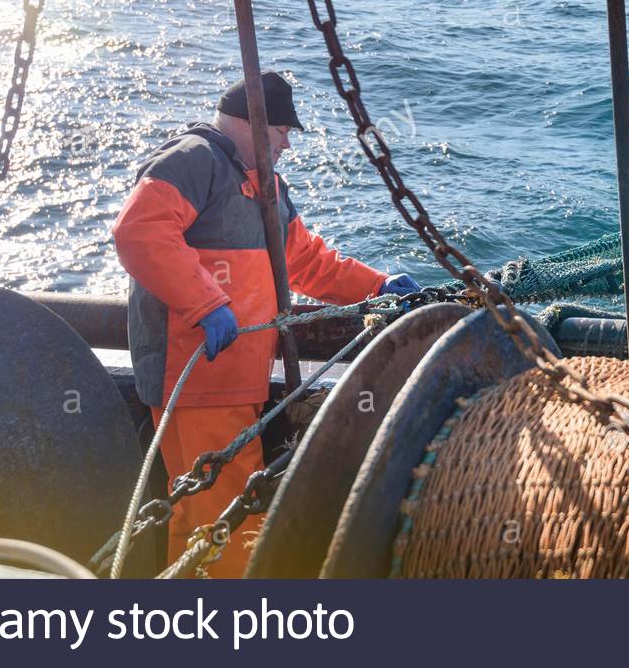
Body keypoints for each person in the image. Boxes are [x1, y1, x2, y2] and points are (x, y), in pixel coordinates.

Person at [111, 70, 419, 577]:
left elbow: (306, 262)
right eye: (282, 133)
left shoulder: (265, 185)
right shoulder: (194, 160)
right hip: (198, 380)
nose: (286, 146)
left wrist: (377, 286)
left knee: (198, 516)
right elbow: (139, 231)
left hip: (233, 382)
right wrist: (207, 304)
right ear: (255, 124)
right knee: (229, 521)